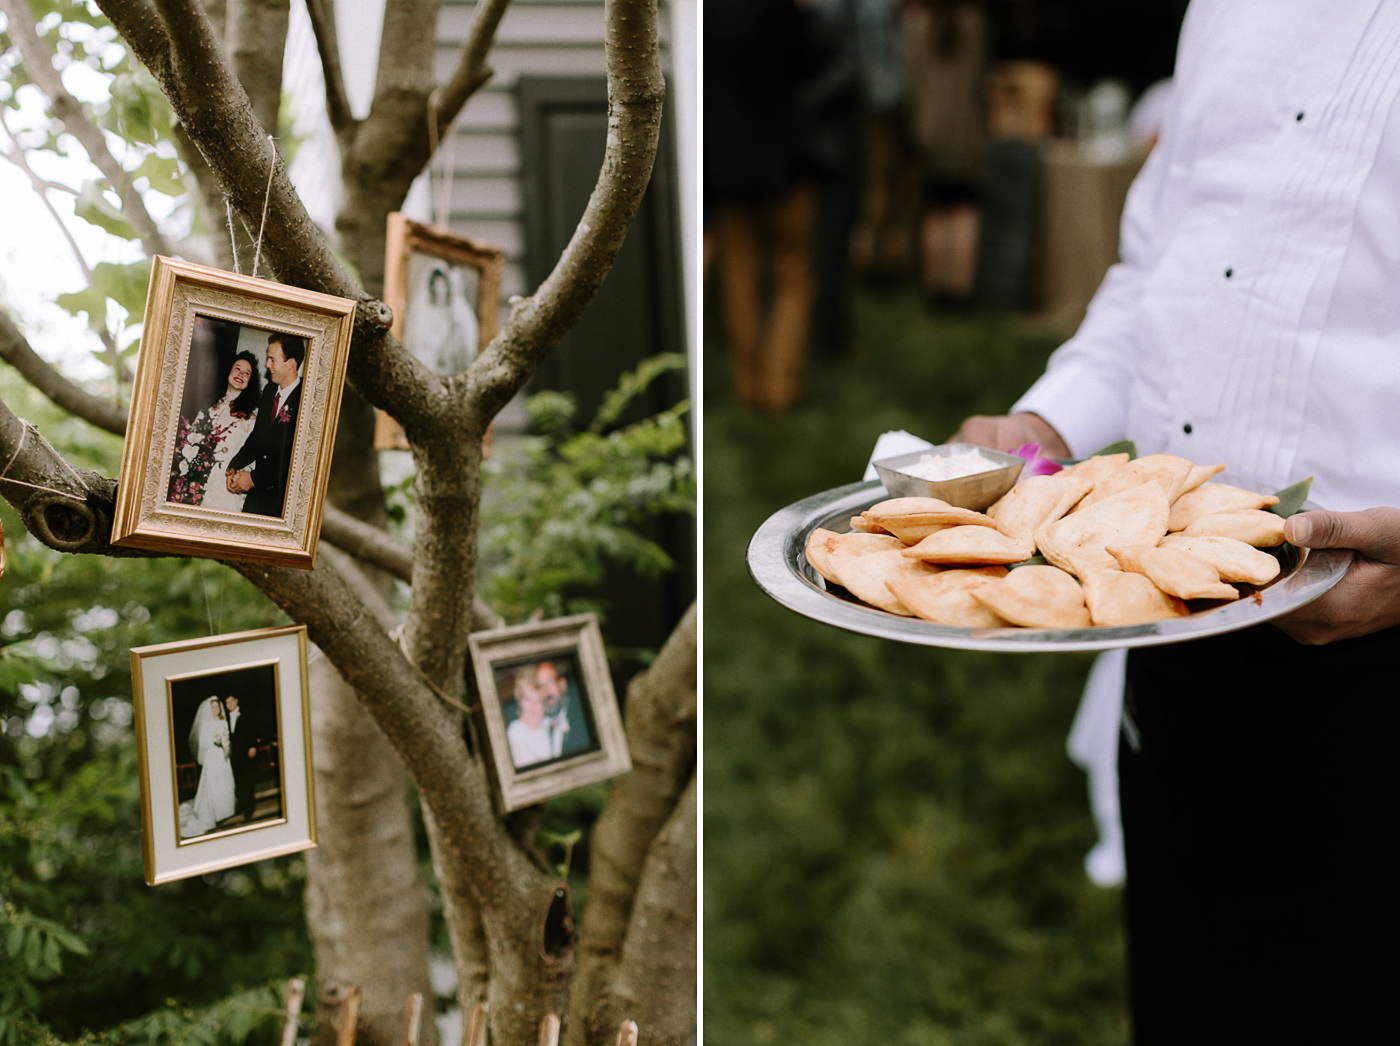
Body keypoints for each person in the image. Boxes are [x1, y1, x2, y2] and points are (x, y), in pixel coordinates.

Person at [952, 3, 1400, 1039]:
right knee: (1189, 984)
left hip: (1379, 657)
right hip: (1170, 631)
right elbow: (1158, 262)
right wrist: (1043, 417)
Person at [226, 334, 305, 517]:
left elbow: (294, 458)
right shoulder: (270, 391)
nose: (267, 365)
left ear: (291, 363)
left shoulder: (305, 399)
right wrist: (234, 466)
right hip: (256, 497)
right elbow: (257, 438)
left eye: (272, 359)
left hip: (281, 503)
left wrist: (253, 479)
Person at [168, 353, 261, 509]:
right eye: (237, 369)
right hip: (196, 486)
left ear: (251, 381)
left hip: (226, 492)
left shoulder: (253, 417)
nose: (240, 375)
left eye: (247, 373)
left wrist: (238, 477)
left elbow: (254, 457)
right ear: (228, 372)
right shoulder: (209, 408)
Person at [406, 264, 480, 375]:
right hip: (428, 363)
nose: (440, 289)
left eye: (442, 285)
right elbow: (418, 342)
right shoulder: (423, 312)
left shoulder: (455, 313)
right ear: (432, 287)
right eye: (437, 285)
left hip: (448, 366)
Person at [178, 697, 236, 838]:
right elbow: (203, 743)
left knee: (224, 783)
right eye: (213, 707)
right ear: (209, 709)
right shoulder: (206, 724)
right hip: (211, 756)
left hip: (222, 757)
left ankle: (226, 811)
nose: (215, 709)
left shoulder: (223, 721)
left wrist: (224, 743)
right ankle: (215, 813)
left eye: (217, 707)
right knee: (213, 784)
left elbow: (227, 739)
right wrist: (215, 740)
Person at [505, 668, 566, 769]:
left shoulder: (549, 725)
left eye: (538, 701)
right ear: (520, 701)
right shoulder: (514, 732)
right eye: (528, 699)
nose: (533, 707)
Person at [223, 695, 260, 822]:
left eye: (231, 701)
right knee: (237, 783)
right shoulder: (225, 719)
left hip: (246, 754)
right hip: (233, 757)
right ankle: (242, 805)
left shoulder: (246, 715)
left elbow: (254, 731)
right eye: (227, 702)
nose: (229, 704)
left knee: (247, 782)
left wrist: (253, 746)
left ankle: (250, 808)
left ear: (237, 701)